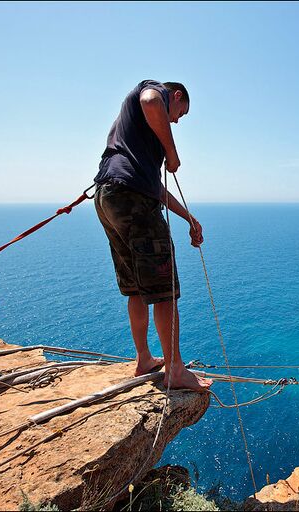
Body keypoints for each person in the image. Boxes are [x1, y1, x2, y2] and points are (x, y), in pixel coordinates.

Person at [93, 80, 212, 391]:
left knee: (135, 288)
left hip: (109, 198)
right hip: (132, 200)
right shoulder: (152, 90)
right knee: (164, 290)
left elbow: (155, 188)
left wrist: (188, 217)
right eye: (180, 113)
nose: (175, 121)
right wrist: (171, 152)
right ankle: (175, 369)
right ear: (175, 96)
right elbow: (150, 101)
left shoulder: (133, 138)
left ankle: (144, 359)